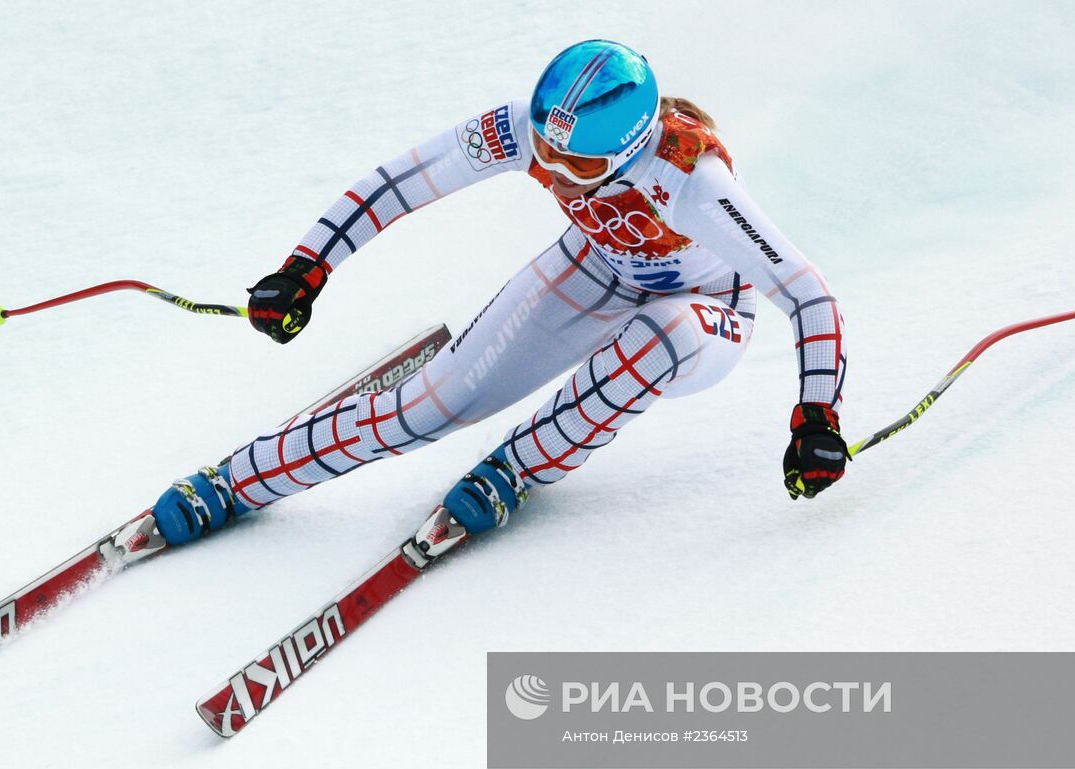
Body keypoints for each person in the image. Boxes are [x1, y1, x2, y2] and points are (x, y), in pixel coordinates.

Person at [151, 38, 848, 546]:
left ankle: (517, 467)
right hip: (598, 271)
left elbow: (807, 294)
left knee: (654, 340)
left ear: (632, 149)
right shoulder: (529, 129)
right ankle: (237, 482)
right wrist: (307, 267)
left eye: (577, 163)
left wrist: (817, 418)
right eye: (544, 149)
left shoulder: (693, 182)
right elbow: (402, 182)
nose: (551, 170)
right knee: (428, 406)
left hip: (707, 315)